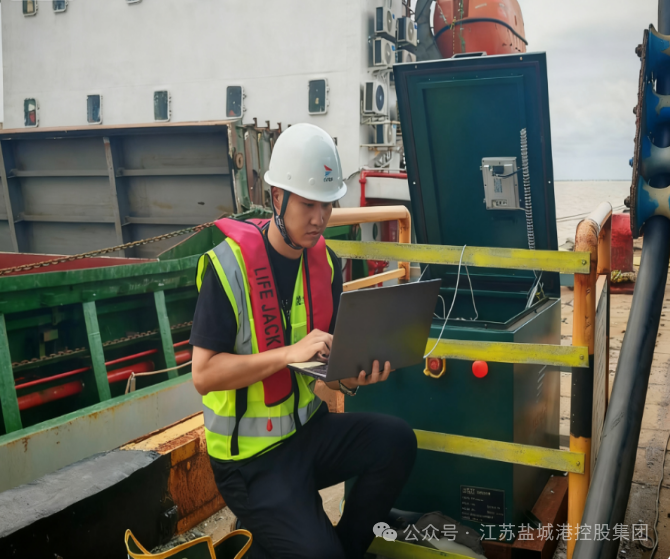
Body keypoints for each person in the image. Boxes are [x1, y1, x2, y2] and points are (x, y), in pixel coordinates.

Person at [190, 123, 417, 559]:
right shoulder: (227, 269)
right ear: (278, 198)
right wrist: (286, 355)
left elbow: (325, 370)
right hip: (250, 462)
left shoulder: (325, 265)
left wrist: (353, 377)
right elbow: (204, 375)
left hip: (307, 434)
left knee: (396, 442)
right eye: (308, 204)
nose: (320, 218)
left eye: (327, 205)